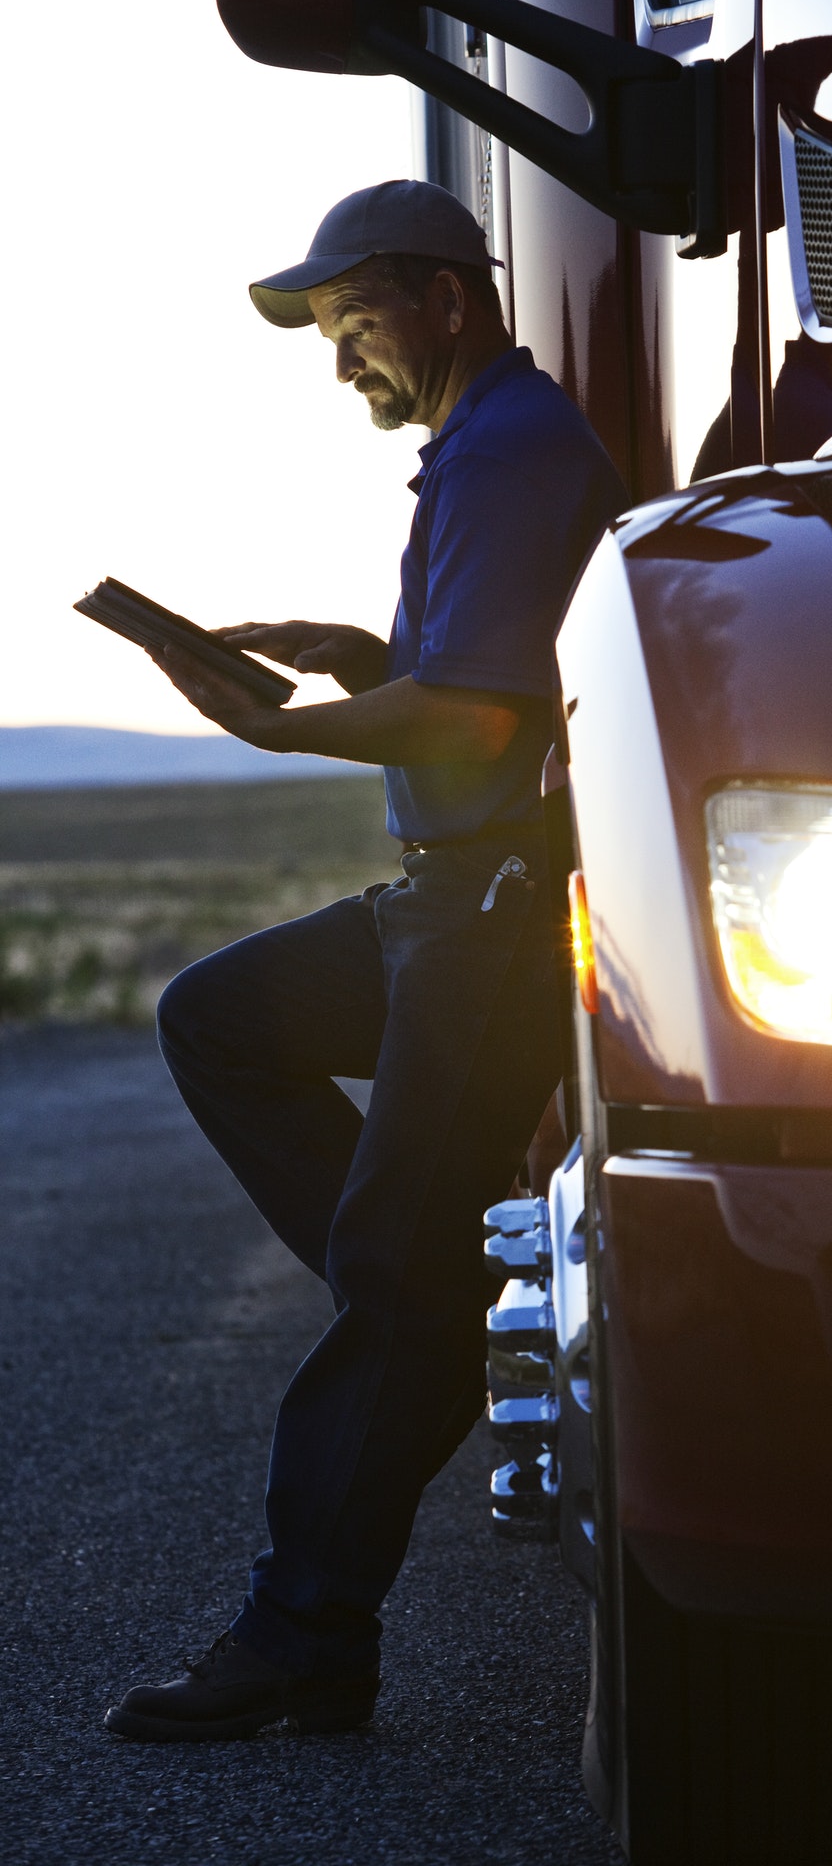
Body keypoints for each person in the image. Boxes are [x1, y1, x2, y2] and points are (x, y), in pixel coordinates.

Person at [103, 180, 628, 1742]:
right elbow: (476, 679)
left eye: (355, 324)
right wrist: (364, 662)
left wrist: (285, 723)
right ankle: (426, 1304)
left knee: (398, 1275)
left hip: (492, 916)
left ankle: (305, 1632)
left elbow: (479, 722)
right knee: (220, 1017)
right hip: (437, 900)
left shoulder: (514, 449)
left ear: (445, 302)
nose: (342, 361)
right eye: (330, 336)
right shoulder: (477, 448)